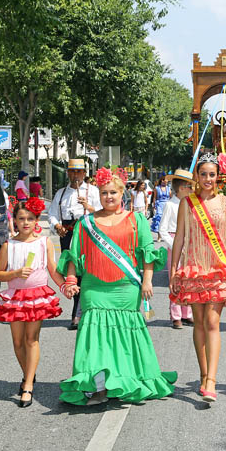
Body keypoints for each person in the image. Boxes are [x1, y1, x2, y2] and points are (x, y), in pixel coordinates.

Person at [57, 167, 175, 405]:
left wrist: (148, 282)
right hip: (93, 288)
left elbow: (147, 254)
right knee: (95, 339)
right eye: (103, 193)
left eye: (113, 192)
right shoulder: (86, 223)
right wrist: (70, 281)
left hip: (125, 288)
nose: (108, 197)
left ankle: (125, 379)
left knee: (123, 337)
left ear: (123, 194)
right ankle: (97, 387)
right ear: (98, 195)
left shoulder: (136, 220)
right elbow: (73, 256)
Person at [169, 153, 226, 403]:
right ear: (197, 176)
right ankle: (203, 374)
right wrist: (173, 271)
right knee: (200, 323)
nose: (207, 179)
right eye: (203, 174)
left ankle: (211, 381)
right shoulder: (187, 203)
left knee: (213, 323)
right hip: (194, 268)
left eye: (212, 174)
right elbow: (180, 237)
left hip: (218, 269)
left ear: (219, 177)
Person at [0, 198, 65, 408]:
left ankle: (28, 384)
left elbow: (52, 269)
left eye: (30, 219)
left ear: (36, 221)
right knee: (17, 342)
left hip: (37, 296)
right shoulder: (8, 246)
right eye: (21, 218)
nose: (25, 222)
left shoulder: (44, 242)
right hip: (16, 297)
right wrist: (15, 273)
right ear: (14, 220)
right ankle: (28, 373)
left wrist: (65, 285)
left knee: (32, 339)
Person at [47, 159, 101, 330]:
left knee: (88, 273)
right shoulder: (61, 193)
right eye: (72, 172)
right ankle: (77, 313)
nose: (75, 175)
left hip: (87, 233)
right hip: (68, 235)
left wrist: (88, 206)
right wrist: (57, 226)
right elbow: (52, 214)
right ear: (68, 173)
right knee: (74, 274)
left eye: (79, 172)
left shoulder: (93, 191)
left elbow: (102, 212)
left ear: (84, 174)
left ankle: (85, 312)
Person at [159, 169, 195, 329]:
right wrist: (175, 245)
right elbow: (162, 230)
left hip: (189, 245)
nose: (192, 190)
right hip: (175, 244)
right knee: (175, 280)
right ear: (181, 188)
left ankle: (187, 313)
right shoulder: (170, 205)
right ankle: (176, 315)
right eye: (189, 187)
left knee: (188, 280)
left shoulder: (190, 204)